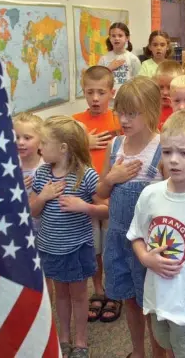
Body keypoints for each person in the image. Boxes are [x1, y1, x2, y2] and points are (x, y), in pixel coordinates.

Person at [127, 110, 185, 358]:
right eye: (167, 152)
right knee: (167, 347)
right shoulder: (150, 194)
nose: (173, 160)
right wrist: (145, 258)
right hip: (159, 301)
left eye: (184, 153)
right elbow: (137, 236)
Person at [97, 76, 168, 358]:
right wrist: (112, 177)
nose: (123, 119)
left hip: (150, 244)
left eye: (132, 113)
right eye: (120, 112)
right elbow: (100, 193)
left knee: (151, 305)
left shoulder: (162, 149)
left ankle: (157, 354)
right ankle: (137, 351)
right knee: (130, 301)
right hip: (118, 238)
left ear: (151, 110)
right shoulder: (115, 147)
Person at [30, 116, 108, 358]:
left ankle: (81, 341)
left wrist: (84, 207)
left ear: (63, 148)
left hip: (76, 248)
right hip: (50, 247)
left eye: (43, 142)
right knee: (60, 294)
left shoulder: (86, 175)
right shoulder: (42, 174)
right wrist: (42, 196)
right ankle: (63, 337)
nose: (39, 147)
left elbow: (107, 208)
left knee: (79, 294)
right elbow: (33, 211)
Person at [73, 66, 121, 323]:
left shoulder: (119, 120)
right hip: (85, 198)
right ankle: (99, 290)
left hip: (113, 196)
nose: (94, 98)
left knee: (113, 246)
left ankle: (114, 290)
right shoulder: (76, 122)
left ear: (111, 93)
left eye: (101, 92)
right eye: (89, 92)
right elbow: (62, 151)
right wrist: (84, 143)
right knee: (94, 248)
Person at [13, 111, 44, 234]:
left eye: (27, 138)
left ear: (41, 141)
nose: (20, 142)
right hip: (16, 230)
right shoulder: (8, 168)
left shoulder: (46, 167)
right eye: (16, 137)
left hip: (42, 232)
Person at [98, 22, 141, 100]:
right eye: (113, 36)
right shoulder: (104, 59)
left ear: (127, 38)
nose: (116, 38)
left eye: (120, 35)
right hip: (108, 100)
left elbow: (138, 82)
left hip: (127, 99)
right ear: (110, 38)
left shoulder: (133, 59)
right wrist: (109, 69)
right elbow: (97, 80)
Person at [153, 60, 183, 129]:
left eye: (170, 87)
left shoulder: (183, 110)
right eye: (161, 87)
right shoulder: (150, 109)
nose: (165, 92)